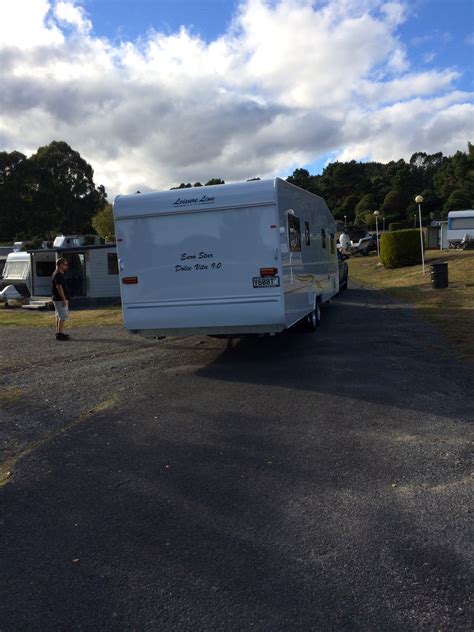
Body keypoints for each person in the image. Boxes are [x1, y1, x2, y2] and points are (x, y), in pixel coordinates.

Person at [52, 258, 70, 341]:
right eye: (65, 264)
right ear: (60, 265)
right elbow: (59, 287)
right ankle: (60, 334)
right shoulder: (57, 274)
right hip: (60, 299)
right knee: (62, 316)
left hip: (58, 298)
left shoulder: (59, 274)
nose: (66, 266)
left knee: (58, 315)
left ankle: (59, 332)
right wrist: (64, 299)